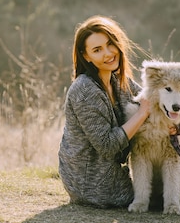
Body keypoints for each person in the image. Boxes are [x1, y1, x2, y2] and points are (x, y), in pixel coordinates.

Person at [58, 15, 151, 208]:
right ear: (86, 56)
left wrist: (173, 127)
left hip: (112, 171)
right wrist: (142, 114)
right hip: (92, 181)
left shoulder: (119, 81)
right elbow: (107, 145)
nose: (108, 53)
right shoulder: (85, 90)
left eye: (110, 44)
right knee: (159, 196)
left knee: (178, 189)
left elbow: (148, 99)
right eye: (97, 50)